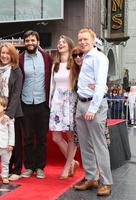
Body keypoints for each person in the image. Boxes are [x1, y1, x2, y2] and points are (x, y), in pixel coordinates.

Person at [73, 28, 112, 196]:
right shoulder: (85, 58)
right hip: (81, 104)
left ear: (93, 39)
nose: (82, 42)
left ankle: (107, 182)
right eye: (80, 39)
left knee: (99, 145)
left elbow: (101, 83)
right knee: (85, 144)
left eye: (85, 39)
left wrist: (93, 108)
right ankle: (91, 177)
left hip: (93, 106)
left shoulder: (99, 58)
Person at [19, 30, 52, 179]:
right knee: (27, 137)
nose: (30, 43)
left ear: (38, 41)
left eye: (33, 40)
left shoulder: (46, 58)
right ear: (24, 42)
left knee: (41, 138)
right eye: (27, 40)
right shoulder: (19, 59)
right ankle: (29, 167)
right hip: (25, 103)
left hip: (42, 102)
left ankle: (40, 167)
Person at [48, 35, 79, 179]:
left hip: (70, 101)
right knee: (55, 136)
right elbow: (52, 86)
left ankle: (67, 167)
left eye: (63, 42)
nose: (60, 44)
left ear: (69, 45)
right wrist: (50, 103)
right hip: (57, 102)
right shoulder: (55, 65)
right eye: (59, 42)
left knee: (71, 135)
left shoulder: (75, 63)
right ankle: (72, 161)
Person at [0, 43, 23, 181]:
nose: (4, 56)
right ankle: (6, 170)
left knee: (13, 142)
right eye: (2, 53)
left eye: (7, 53)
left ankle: (16, 169)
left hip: (12, 113)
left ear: (12, 55)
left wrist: (8, 114)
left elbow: (16, 94)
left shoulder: (16, 71)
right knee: (2, 143)